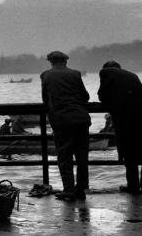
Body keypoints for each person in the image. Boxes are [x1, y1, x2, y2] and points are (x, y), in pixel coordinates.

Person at [98, 60, 142, 197]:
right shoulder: (132, 75)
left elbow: (102, 95)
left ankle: (133, 186)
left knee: (129, 152)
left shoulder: (106, 72)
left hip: (126, 118)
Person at [40, 51, 90, 201]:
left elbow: (45, 99)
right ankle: (81, 189)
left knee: (64, 155)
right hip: (81, 119)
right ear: (65, 61)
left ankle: (68, 189)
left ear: (51, 62)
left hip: (61, 121)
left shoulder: (46, 75)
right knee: (82, 157)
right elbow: (85, 96)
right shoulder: (76, 74)